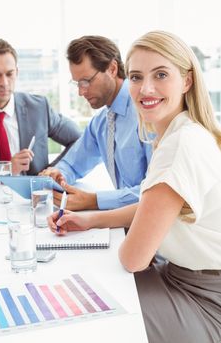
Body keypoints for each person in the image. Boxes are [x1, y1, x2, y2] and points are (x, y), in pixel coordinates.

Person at [48, 30, 221, 343]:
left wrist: (97, 211)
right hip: (179, 276)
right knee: (79, 286)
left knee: (83, 314)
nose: (145, 88)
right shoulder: (179, 132)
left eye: (161, 74)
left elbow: (133, 258)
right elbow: (157, 207)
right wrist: (90, 219)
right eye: (138, 77)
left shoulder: (180, 144)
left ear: (187, 81)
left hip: (205, 299)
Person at [42, 35, 152, 210]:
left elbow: (155, 191)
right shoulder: (101, 123)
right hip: (123, 220)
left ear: (112, 69)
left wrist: (94, 200)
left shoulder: (146, 112)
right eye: (77, 83)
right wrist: (58, 173)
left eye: (86, 81)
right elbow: (72, 163)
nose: (81, 92)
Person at [0, 39, 81, 185]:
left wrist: (53, 170)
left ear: (16, 72)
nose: (4, 83)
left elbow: (79, 139)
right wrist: (6, 169)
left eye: (9, 74)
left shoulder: (38, 108)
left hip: (34, 199)